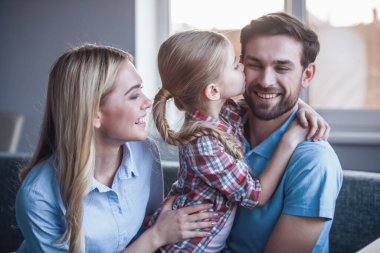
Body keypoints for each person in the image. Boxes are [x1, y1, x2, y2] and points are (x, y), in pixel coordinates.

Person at [15, 44, 217, 253]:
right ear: (94, 114)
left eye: (141, 89)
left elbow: (149, 222)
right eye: (133, 95)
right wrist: (157, 236)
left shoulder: (146, 151)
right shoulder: (38, 195)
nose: (147, 102)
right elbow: (153, 234)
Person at [150, 30, 329, 253]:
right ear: (213, 90)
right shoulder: (203, 142)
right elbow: (256, 195)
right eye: (235, 66)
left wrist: (306, 109)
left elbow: (268, 99)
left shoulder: (224, 112)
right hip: (191, 247)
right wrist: (289, 141)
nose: (243, 69)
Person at [225, 12, 343, 253]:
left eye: (282, 68)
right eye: (255, 65)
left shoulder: (314, 161)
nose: (266, 80)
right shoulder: (222, 127)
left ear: (307, 74)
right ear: (240, 66)